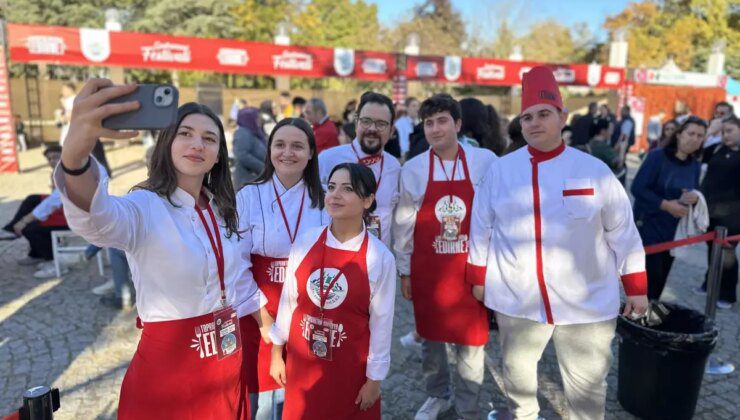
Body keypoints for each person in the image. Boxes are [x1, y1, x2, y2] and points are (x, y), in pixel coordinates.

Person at [54, 79, 273, 419]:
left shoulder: (220, 208)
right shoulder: (143, 207)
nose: (197, 143)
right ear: (167, 143)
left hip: (226, 362)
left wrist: (271, 332)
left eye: (209, 138)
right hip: (170, 373)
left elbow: (238, 282)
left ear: (217, 157)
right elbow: (97, 220)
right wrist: (75, 157)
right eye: (185, 133)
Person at [467, 67, 648, 420]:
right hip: (516, 298)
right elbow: (480, 229)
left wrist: (636, 286)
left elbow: (623, 231)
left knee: (587, 391)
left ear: (562, 117)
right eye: (528, 117)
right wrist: (477, 279)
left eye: (544, 114)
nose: (535, 123)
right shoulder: (501, 171)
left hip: (587, 303)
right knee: (518, 383)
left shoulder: (594, 170)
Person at [394, 94, 497, 420]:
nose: (435, 129)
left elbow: (496, 215)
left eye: (442, 121)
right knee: (431, 341)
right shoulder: (413, 168)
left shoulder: (485, 161)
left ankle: (468, 406)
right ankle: (437, 394)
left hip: (472, 271)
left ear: (458, 123)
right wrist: (404, 270)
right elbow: (404, 224)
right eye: (429, 123)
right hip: (430, 272)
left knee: (471, 344)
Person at [269, 163, 396, 419]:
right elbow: (289, 301)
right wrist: (276, 353)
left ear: (368, 200)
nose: (335, 195)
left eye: (347, 189)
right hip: (303, 362)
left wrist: (374, 380)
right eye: (332, 187)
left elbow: (382, 323)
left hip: (349, 368)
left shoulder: (380, 257)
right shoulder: (306, 241)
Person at [237, 118, 329, 419]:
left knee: (302, 393)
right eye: (280, 145)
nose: (287, 152)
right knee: (262, 399)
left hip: (309, 309)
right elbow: (236, 265)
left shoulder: (327, 198)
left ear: (312, 152)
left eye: (297, 146)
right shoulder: (249, 196)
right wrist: (263, 320)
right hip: (258, 307)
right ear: (269, 150)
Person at [631, 116, 706, 301]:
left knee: (661, 278)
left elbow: (693, 190)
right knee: (651, 276)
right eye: (690, 133)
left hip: (674, 231)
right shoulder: (658, 156)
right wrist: (665, 205)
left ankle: (650, 317)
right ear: (679, 134)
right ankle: (636, 320)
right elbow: (638, 188)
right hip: (648, 225)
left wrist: (695, 197)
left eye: (699, 136)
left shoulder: (695, 166)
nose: (694, 138)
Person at [318, 92, 401, 249]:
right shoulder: (327, 160)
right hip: (334, 258)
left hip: (377, 263)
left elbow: (398, 222)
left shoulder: (395, 167)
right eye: (366, 121)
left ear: (391, 131)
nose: (372, 129)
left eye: (381, 124)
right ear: (356, 122)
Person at [0, 145, 69, 275]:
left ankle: (54, 261)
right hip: (66, 209)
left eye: (56, 157)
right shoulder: (58, 172)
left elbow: (53, 202)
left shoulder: (67, 174)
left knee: (30, 228)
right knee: (32, 199)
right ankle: (12, 232)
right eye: (49, 159)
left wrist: (25, 220)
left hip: (76, 218)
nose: (52, 161)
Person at [697, 115, 740, 309]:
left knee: (727, 254)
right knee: (711, 250)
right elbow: (697, 153)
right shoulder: (717, 148)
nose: (725, 135)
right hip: (711, 210)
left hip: (733, 215)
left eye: (729, 131)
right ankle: (710, 283)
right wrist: (711, 132)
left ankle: (727, 293)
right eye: (723, 132)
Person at [233, 107, 267, 189]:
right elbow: (242, 155)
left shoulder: (255, 132)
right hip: (247, 180)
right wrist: (264, 169)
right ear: (249, 118)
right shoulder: (243, 133)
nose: (260, 120)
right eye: (257, 117)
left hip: (256, 179)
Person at [611, 105, 636, 185]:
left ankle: (620, 181)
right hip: (622, 144)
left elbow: (624, 135)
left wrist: (617, 145)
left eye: (622, 110)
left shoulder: (628, 121)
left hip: (622, 145)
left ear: (627, 111)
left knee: (620, 162)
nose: (621, 112)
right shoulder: (626, 120)